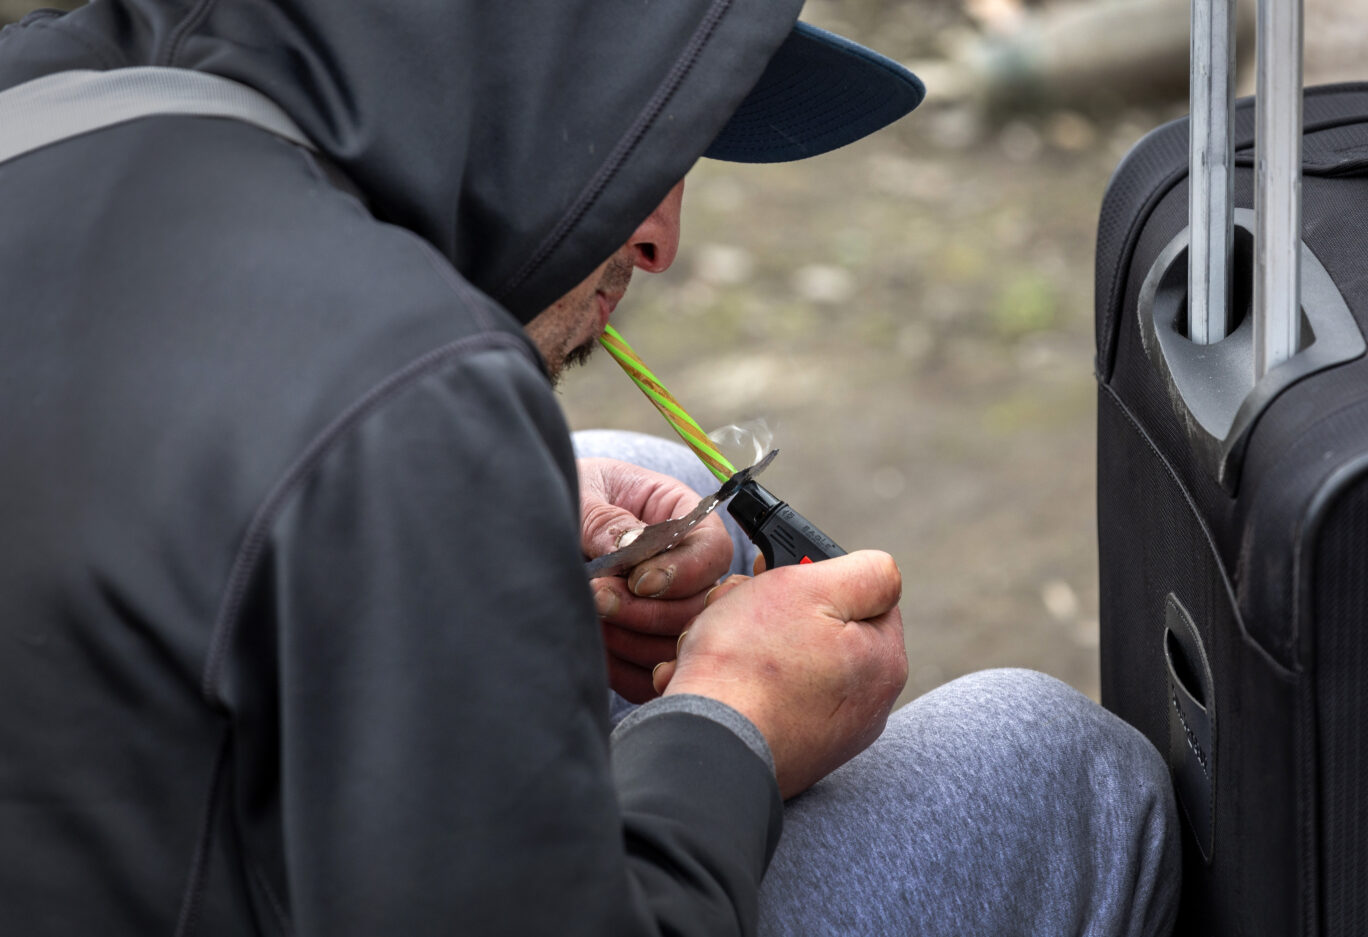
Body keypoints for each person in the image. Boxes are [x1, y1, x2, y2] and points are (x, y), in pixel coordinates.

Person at [0, 1, 1177, 935]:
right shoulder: (398, 398)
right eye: (649, 140)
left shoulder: (55, 102)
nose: (663, 240)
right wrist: (733, 725)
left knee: (626, 466)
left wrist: (479, 509)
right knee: (1050, 765)